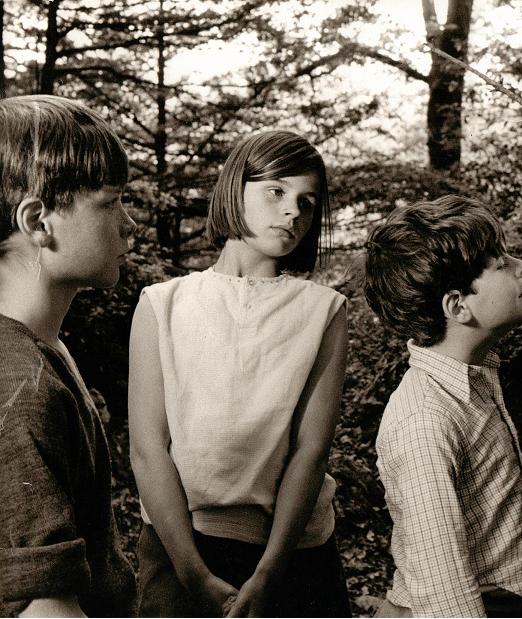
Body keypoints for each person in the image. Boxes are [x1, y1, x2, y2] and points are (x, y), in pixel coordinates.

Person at [129, 130, 351, 617]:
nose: (293, 212)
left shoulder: (324, 311)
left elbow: (311, 451)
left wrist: (270, 572)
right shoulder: (163, 304)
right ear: (235, 188)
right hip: (179, 547)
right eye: (276, 191)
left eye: (307, 202)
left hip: (293, 553)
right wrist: (191, 572)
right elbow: (148, 449)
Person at [363, 195, 522, 618]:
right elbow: (443, 586)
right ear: (458, 306)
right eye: (501, 264)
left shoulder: (472, 377)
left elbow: (499, 487)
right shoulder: (425, 422)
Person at [0, 95, 137, 616]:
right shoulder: (19, 384)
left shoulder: (43, 349)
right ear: (38, 221)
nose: (129, 224)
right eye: (110, 202)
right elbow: (45, 609)